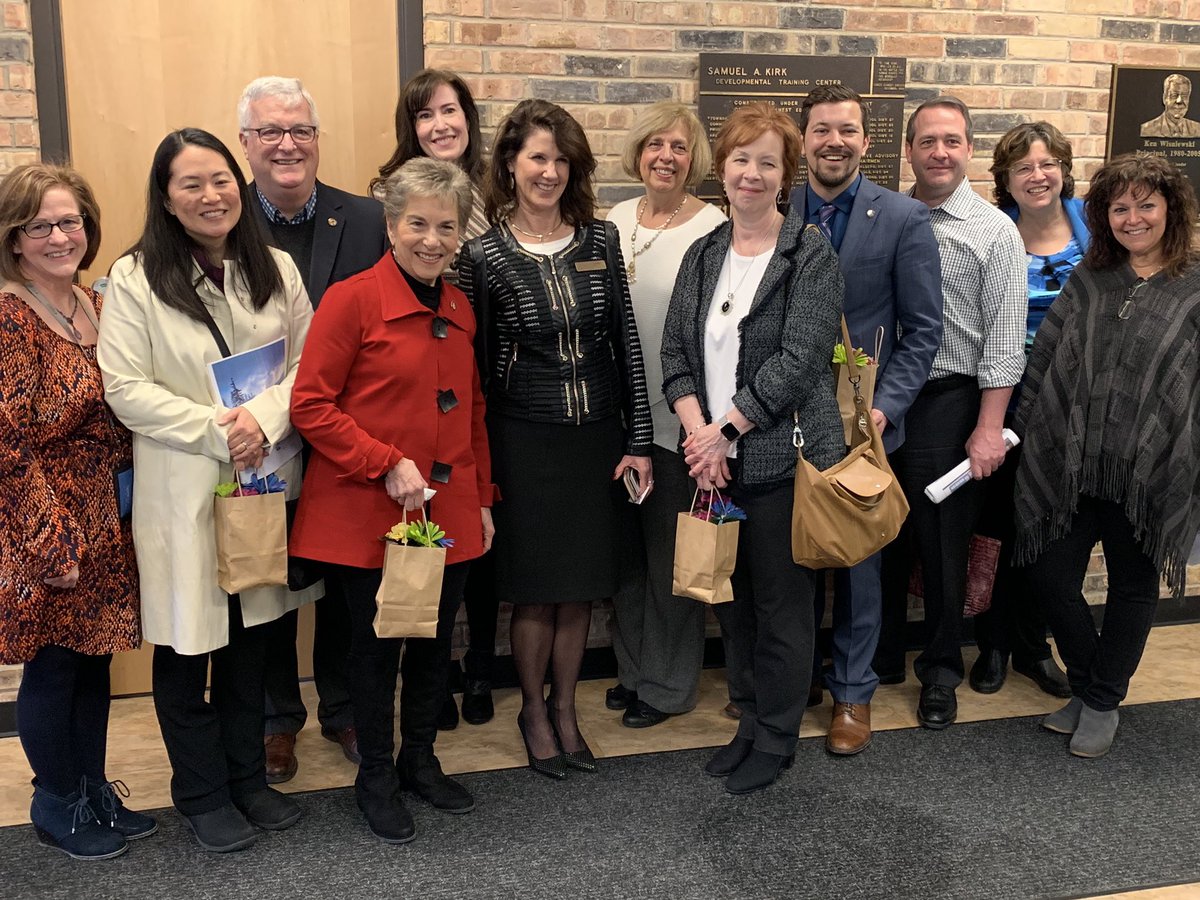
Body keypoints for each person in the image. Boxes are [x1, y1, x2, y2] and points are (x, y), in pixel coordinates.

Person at [98, 128, 312, 852]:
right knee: (189, 648)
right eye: (190, 183)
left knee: (254, 642)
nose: (210, 195)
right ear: (165, 197)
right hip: (183, 488)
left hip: (260, 484)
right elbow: (125, 389)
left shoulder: (276, 267)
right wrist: (221, 429)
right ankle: (201, 792)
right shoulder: (133, 278)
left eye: (220, 179)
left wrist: (259, 420)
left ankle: (248, 780)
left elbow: (306, 370)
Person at [289, 157, 494, 842]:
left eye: (446, 226)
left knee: (437, 644)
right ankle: (373, 776)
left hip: (451, 505)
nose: (431, 240)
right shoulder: (351, 299)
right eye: (417, 224)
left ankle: (420, 763)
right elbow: (310, 405)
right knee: (376, 654)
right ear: (391, 222)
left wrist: (484, 498)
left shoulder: (460, 306)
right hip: (369, 510)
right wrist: (385, 462)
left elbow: (471, 413)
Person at [457, 99, 653, 780]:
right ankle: (532, 711)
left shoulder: (600, 240)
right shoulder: (480, 255)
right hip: (523, 441)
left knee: (581, 590)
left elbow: (624, 341)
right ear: (510, 164)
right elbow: (474, 369)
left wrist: (639, 436)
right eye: (538, 156)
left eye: (562, 159)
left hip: (595, 439)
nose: (550, 171)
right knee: (536, 591)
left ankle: (567, 709)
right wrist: (476, 463)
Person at [661, 101, 845, 794]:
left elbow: (799, 360)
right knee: (731, 604)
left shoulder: (809, 252)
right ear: (724, 168)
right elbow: (674, 350)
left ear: (786, 174)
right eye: (741, 159)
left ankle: (777, 734)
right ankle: (748, 722)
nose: (752, 173)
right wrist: (696, 434)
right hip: (712, 465)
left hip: (779, 464)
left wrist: (723, 431)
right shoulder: (704, 252)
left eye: (768, 161)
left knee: (782, 609)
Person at [1014, 152, 1200, 757]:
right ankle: (1093, 683)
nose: (1133, 217)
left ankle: (1099, 700)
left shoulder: (1194, 285)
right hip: (1072, 461)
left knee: (1132, 587)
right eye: (1119, 207)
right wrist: (1019, 431)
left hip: (1150, 468)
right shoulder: (1091, 277)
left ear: (1170, 209)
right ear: (1103, 215)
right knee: (1049, 573)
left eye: (1146, 204)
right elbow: (1046, 357)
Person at [0, 164, 155, 860]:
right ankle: (54, 799)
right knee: (56, 664)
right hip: (48, 516)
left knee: (97, 662)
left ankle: (93, 787)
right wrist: (48, 539)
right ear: (14, 239)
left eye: (71, 221)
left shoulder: (96, 300)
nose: (61, 235)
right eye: (42, 226)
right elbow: (5, 440)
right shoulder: (9, 315)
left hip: (108, 510)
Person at [238, 75, 388, 781]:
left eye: (300, 130)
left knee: (344, 586)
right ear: (247, 144)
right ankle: (276, 720)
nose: (287, 144)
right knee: (269, 586)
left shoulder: (366, 219)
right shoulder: (220, 220)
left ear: (318, 140)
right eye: (270, 132)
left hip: (346, 438)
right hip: (261, 444)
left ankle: (346, 710)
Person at [789, 85, 942, 755]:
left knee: (859, 567)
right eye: (822, 129)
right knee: (787, 562)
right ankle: (791, 684)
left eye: (846, 130)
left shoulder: (904, 217)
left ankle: (853, 695)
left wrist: (885, 407)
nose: (834, 141)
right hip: (781, 419)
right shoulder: (770, 204)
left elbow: (924, 331)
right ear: (803, 141)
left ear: (866, 139)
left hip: (862, 428)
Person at [875, 97, 1027, 730]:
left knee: (942, 544)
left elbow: (1004, 338)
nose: (940, 151)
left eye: (953, 141)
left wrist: (988, 428)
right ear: (909, 149)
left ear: (968, 150)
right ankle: (877, 654)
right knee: (875, 530)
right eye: (928, 141)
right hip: (880, 402)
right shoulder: (884, 217)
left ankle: (940, 670)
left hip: (950, 400)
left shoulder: (994, 231)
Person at [372, 68, 496, 728]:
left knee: (478, 542)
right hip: (418, 390)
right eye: (425, 116)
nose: (440, 125)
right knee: (424, 545)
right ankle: (432, 679)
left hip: (480, 380)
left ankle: (476, 668)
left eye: (450, 111)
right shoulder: (386, 198)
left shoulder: (495, 194)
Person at [606, 101, 726, 729]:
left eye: (680, 147)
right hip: (621, 423)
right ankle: (631, 671)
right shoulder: (617, 217)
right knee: (626, 559)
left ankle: (670, 683)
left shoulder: (712, 228)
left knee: (671, 559)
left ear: (695, 160)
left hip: (680, 420)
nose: (666, 157)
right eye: (656, 144)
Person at [968, 123, 1091, 700]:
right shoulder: (996, 234)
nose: (1038, 176)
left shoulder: (1096, 228)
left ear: (1063, 168)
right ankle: (993, 644)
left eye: (1047, 164)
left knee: (1048, 534)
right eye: (1023, 168)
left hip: (1075, 414)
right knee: (996, 529)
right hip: (1005, 406)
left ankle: (1033, 648)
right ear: (1006, 180)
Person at [1139, 73, 1200, 138]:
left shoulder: (1198, 129)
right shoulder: (1147, 130)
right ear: (1164, 98)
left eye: (1184, 96)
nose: (1179, 101)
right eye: (1174, 95)